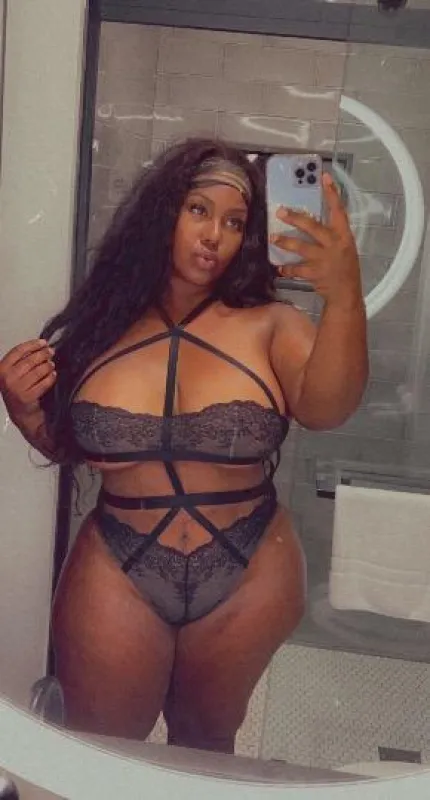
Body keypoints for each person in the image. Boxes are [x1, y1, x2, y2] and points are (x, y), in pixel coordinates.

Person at [0, 137, 368, 753]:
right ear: (162, 212)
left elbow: (328, 409)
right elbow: (71, 447)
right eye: (198, 210)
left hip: (250, 567)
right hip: (118, 564)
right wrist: (24, 411)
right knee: (104, 753)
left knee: (204, 746)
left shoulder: (272, 324)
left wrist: (345, 296)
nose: (214, 236)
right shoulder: (101, 323)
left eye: (235, 222)